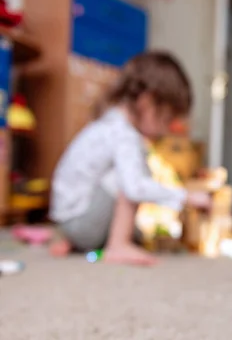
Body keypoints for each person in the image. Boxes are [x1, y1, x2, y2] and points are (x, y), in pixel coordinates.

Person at [49, 51, 211, 266]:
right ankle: (117, 245)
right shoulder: (124, 134)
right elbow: (134, 187)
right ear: (148, 102)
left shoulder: (109, 125)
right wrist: (186, 197)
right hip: (82, 225)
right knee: (131, 177)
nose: (166, 130)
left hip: (71, 222)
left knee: (137, 222)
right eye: (167, 118)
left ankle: (85, 242)